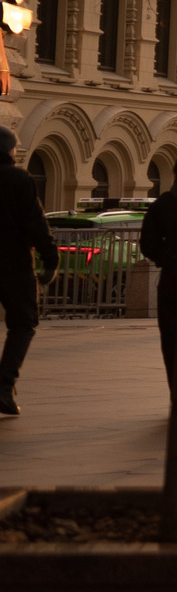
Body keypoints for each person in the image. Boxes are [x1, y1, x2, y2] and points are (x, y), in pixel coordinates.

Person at [0, 130, 57, 418]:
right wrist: (50, 257)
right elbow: (35, 222)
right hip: (13, 263)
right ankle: (3, 386)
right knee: (23, 323)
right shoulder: (19, 180)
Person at [140, 179, 177, 395]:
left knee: (172, 339)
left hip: (173, 279)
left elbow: (148, 244)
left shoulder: (163, 204)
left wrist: (168, 258)